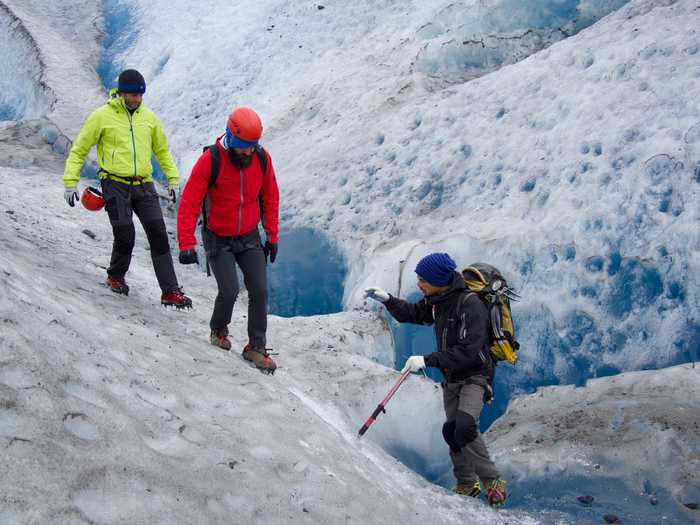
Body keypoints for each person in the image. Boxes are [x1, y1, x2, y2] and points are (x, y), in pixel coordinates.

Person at [364, 252, 507, 506]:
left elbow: (469, 351)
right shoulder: (438, 299)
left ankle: (492, 481)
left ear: (440, 280)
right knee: (451, 431)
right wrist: (388, 300)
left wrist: (427, 360)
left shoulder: (470, 304)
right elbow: (414, 313)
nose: (419, 284)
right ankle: (466, 484)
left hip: (476, 374)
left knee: (464, 425)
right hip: (452, 376)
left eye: (423, 279)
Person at [63, 69, 192, 309]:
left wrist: (173, 179)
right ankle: (115, 275)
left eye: (140, 95)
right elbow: (80, 148)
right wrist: (71, 182)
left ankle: (170, 292)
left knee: (159, 234)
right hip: (114, 183)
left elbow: (162, 151)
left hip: (143, 183)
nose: (137, 99)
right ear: (121, 93)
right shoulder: (102, 116)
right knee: (125, 233)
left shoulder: (149, 118)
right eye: (133, 94)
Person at [177, 106, 279, 374]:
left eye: (253, 145)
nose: (248, 151)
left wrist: (272, 235)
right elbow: (189, 202)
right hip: (218, 237)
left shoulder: (261, 159)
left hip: (248, 236)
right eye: (244, 146)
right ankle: (218, 329)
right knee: (230, 290)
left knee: (259, 289)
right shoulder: (211, 160)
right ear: (231, 138)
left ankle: (256, 347)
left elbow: (270, 196)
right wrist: (186, 243)